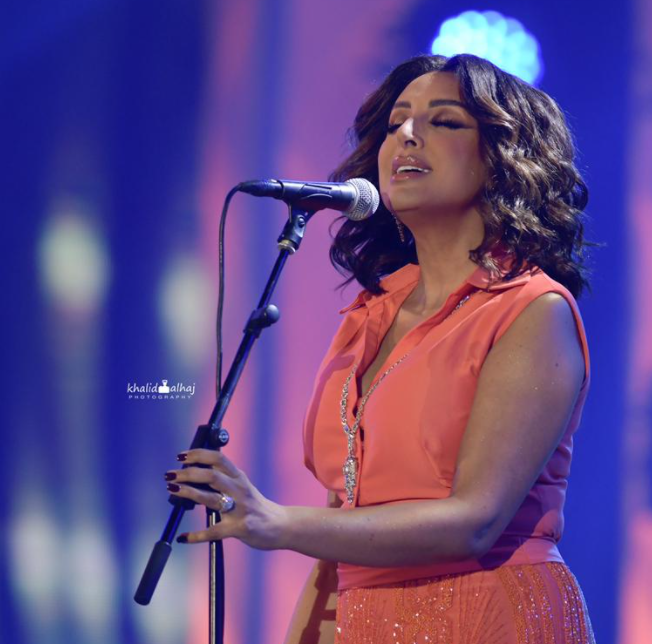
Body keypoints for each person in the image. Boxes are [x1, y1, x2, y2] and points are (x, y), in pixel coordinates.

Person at [163, 54, 596, 643]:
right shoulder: (370, 315)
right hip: (363, 619)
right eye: (396, 123)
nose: (407, 135)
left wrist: (277, 521)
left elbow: (474, 521)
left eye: (443, 121)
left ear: (503, 160)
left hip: (486, 610)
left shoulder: (531, 310)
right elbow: (343, 518)